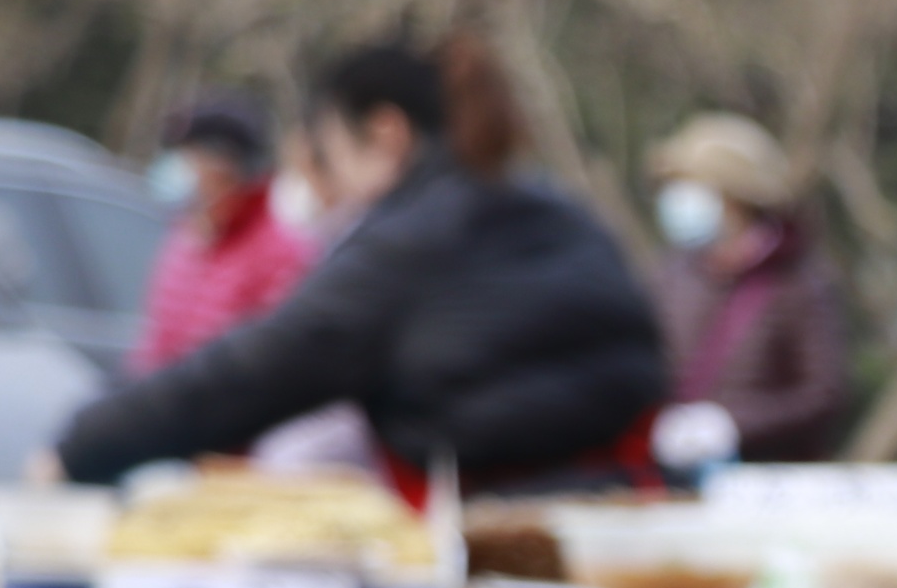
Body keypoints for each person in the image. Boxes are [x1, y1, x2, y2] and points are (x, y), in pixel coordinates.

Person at [57, 37, 668, 494]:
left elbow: (257, 369)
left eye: (331, 151)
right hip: (622, 508)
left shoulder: (409, 239)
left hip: (508, 530)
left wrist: (83, 445)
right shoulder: (557, 208)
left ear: (386, 132)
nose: (330, 180)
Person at [646, 112, 851, 463]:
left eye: (690, 185)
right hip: (676, 481)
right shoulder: (672, 275)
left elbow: (824, 394)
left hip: (768, 487)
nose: (676, 198)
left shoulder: (798, 282)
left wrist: (730, 425)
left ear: (734, 195)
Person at [130, 96, 314, 373]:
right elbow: (157, 340)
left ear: (223, 169)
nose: (182, 170)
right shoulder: (188, 234)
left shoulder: (279, 254)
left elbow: (268, 363)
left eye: (190, 158)